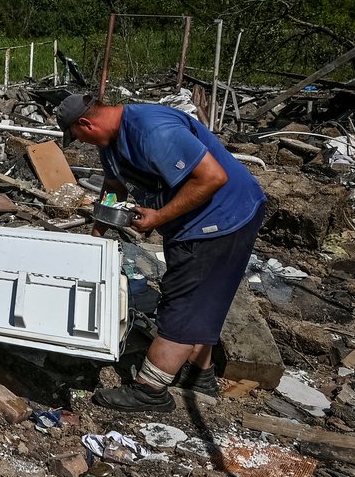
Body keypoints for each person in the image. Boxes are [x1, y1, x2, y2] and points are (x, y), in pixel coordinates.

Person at [56, 93, 266, 412]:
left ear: (86, 123)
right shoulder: (110, 143)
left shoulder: (151, 131)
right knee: (200, 297)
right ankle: (200, 376)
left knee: (184, 300)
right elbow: (114, 188)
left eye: (78, 136)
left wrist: (159, 216)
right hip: (191, 221)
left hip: (224, 216)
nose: (81, 143)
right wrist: (96, 236)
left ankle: (150, 390)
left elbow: (213, 177)